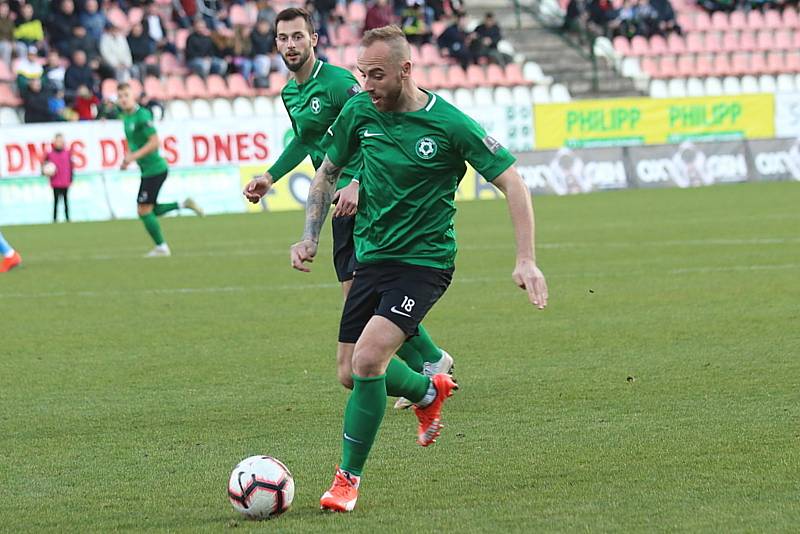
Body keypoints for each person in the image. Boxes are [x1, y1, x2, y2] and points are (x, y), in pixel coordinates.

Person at [287, 24, 548, 512]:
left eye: (377, 76)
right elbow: (326, 172)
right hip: (372, 258)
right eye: (362, 74)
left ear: (406, 70)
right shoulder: (359, 109)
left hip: (424, 264)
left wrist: (526, 258)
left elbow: (514, 183)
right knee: (349, 373)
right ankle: (429, 391)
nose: (367, 85)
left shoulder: (450, 124)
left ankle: (347, 481)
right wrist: (309, 236)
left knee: (368, 361)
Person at [243, 10, 453, 408]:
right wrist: (271, 176)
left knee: (368, 302)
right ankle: (431, 360)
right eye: (283, 38)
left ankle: (424, 371)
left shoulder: (340, 82)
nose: (290, 45)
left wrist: (358, 180)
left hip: (368, 200)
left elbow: (375, 128)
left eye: (297, 37)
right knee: (358, 301)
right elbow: (306, 142)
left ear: (314, 39)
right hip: (339, 206)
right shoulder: (291, 93)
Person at [116, 82, 204, 257]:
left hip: (155, 169)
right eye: (120, 96)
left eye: (126, 95)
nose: (123, 99)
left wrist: (132, 157)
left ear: (133, 96)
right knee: (150, 209)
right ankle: (183, 204)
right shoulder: (126, 118)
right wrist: (127, 159)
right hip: (148, 170)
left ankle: (162, 247)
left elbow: (155, 142)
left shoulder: (142, 115)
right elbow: (134, 144)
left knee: (143, 210)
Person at [43, 133, 74, 222]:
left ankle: (67, 218)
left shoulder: (67, 153)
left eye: (61, 141)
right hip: (55, 182)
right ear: (54, 142)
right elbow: (44, 166)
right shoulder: (50, 154)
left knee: (65, 201)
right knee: (56, 201)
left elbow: (71, 166)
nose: (59, 143)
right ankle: (55, 219)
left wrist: (71, 178)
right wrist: (46, 171)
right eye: (58, 141)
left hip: (65, 181)